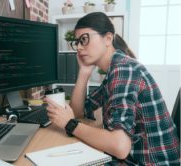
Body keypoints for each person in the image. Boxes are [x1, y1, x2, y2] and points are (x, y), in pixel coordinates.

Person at [44, 12, 180, 165]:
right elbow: (79, 111)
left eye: (84, 39)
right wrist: (84, 72)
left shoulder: (124, 69)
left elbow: (120, 146)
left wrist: (69, 124)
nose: (79, 48)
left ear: (108, 38)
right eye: (77, 42)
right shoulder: (115, 71)